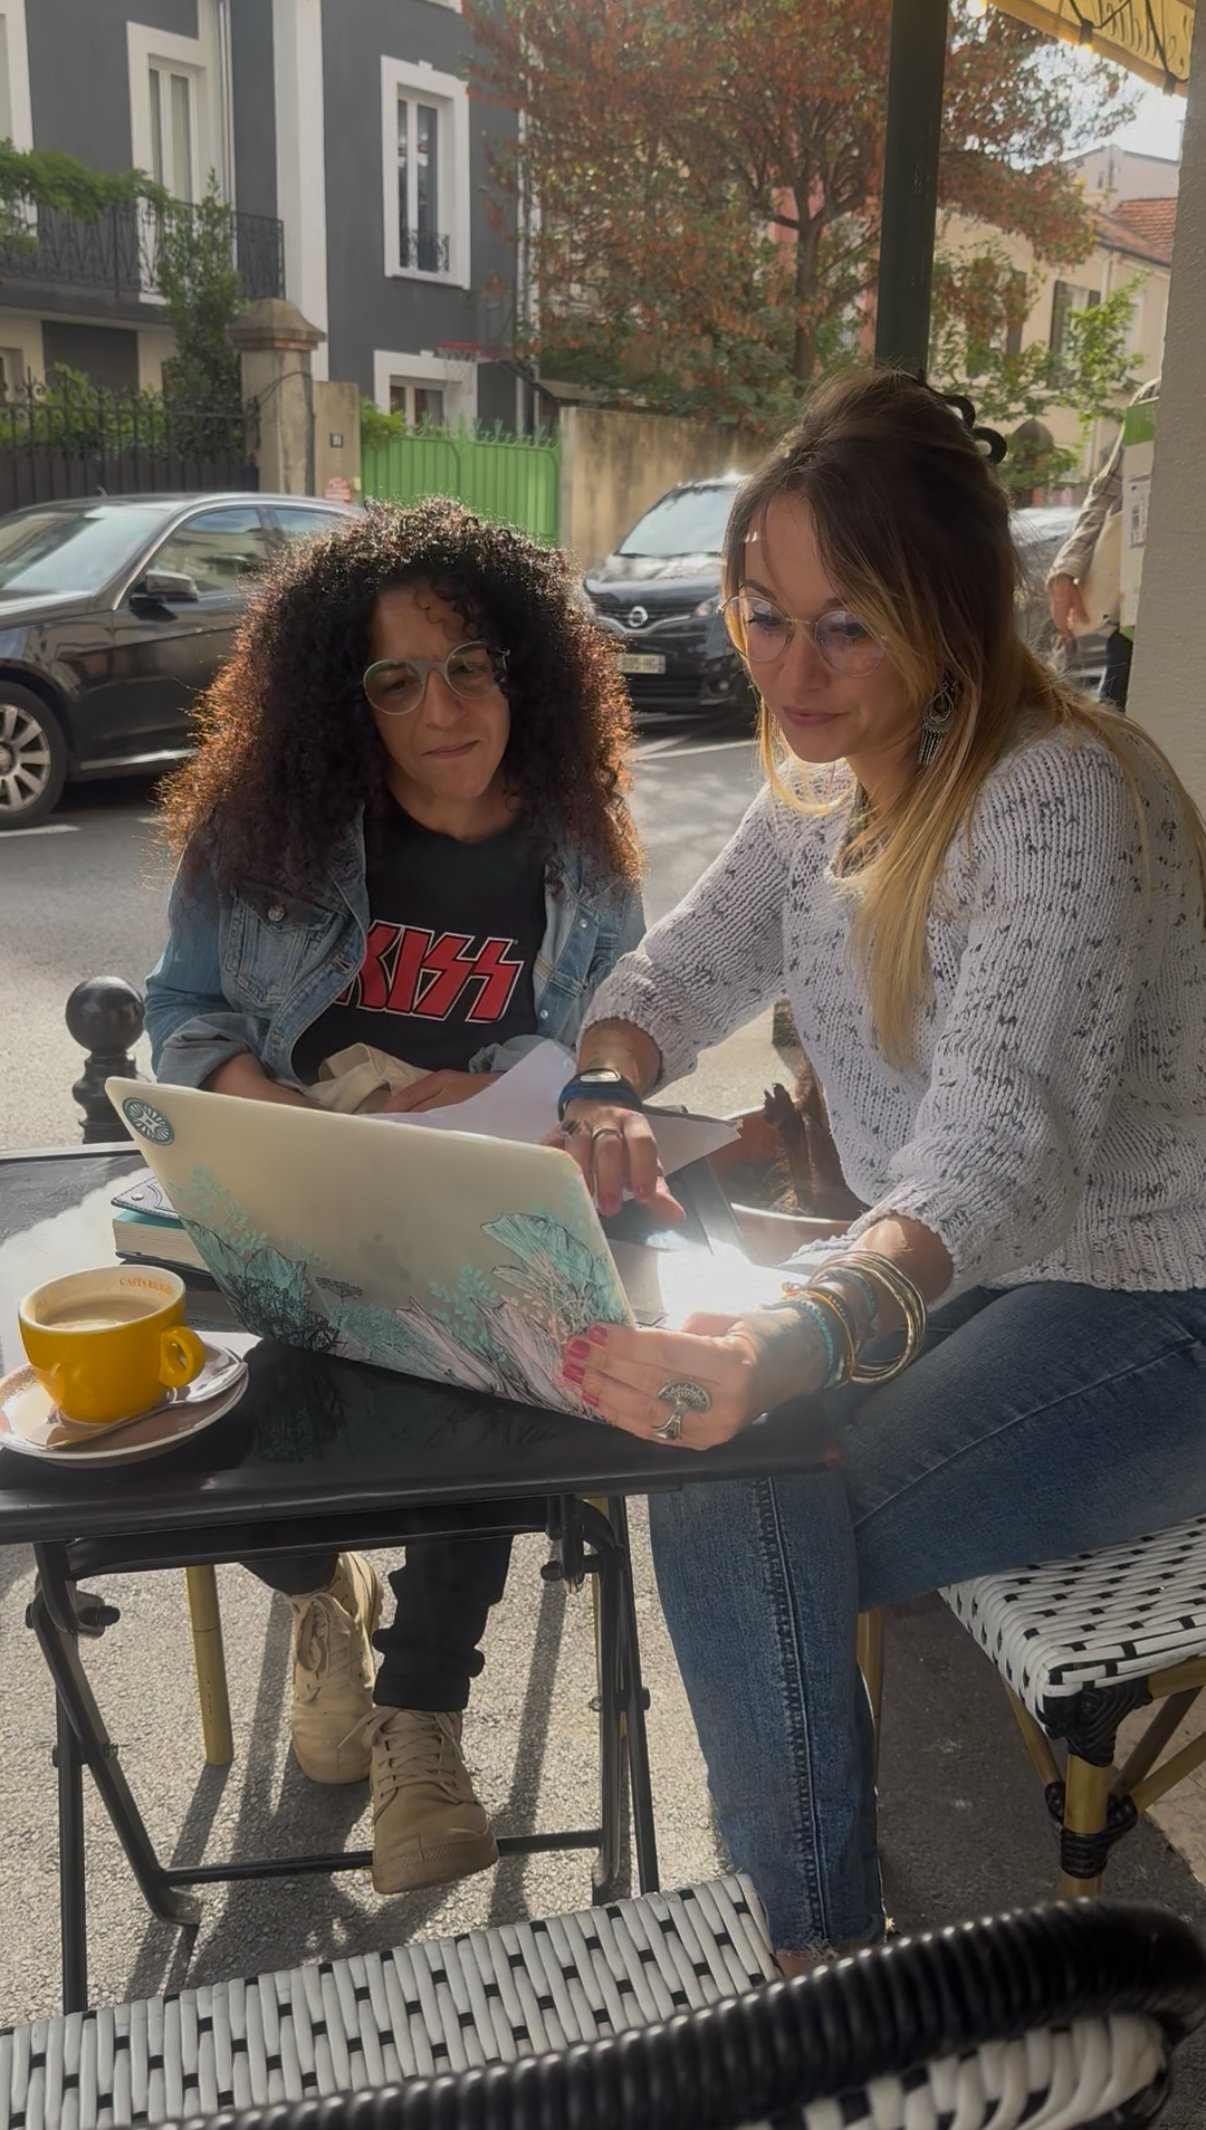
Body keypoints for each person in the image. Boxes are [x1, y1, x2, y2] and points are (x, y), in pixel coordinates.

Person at [550, 368, 1206, 1968]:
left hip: (1163, 1301)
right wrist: (600, 1083)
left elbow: (999, 1150)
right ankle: (818, 1955)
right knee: (720, 1448)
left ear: (953, 616)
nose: (790, 668)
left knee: (748, 1468)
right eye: (762, 613)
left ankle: (805, 1964)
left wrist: (799, 1328)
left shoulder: (1059, 794)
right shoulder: (825, 794)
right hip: (988, 1278)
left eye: (845, 624)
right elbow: (665, 975)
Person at [144, 498, 642, 1895]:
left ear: (522, 670)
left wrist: (511, 1077)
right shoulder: (269, 829)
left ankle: (419, 1714)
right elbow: (180, 1005)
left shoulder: (582, 859)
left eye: (471, 663)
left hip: (475, 1210)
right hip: (293, 1181)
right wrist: (269, 1103)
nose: (442, 706)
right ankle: (321, 1593)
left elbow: (612, 1038)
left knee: (486, 1370)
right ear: (343, 697)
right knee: (173, 1414)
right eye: (396, 676)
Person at [1047, 374, 1160, 710]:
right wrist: (1066, 571)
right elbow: (1107, 490)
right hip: (1130, 621)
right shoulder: (1155, 396)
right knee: (1121, 737)